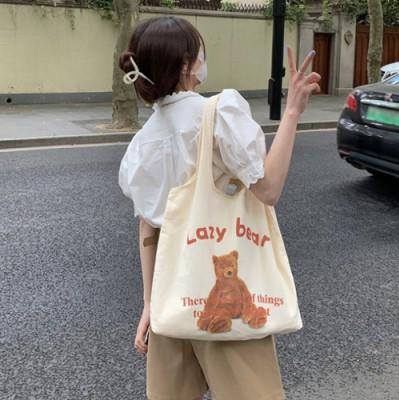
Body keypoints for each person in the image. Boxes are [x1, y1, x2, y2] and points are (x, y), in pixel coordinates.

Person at [118, 16, 321, 400]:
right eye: (200, 52)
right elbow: (268, 189)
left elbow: (149, 228)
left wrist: (149, 305)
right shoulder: (218, 112)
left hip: (171, 303)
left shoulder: (142, 143)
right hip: (223, 301)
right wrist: (292, 111)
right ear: (185, 65)